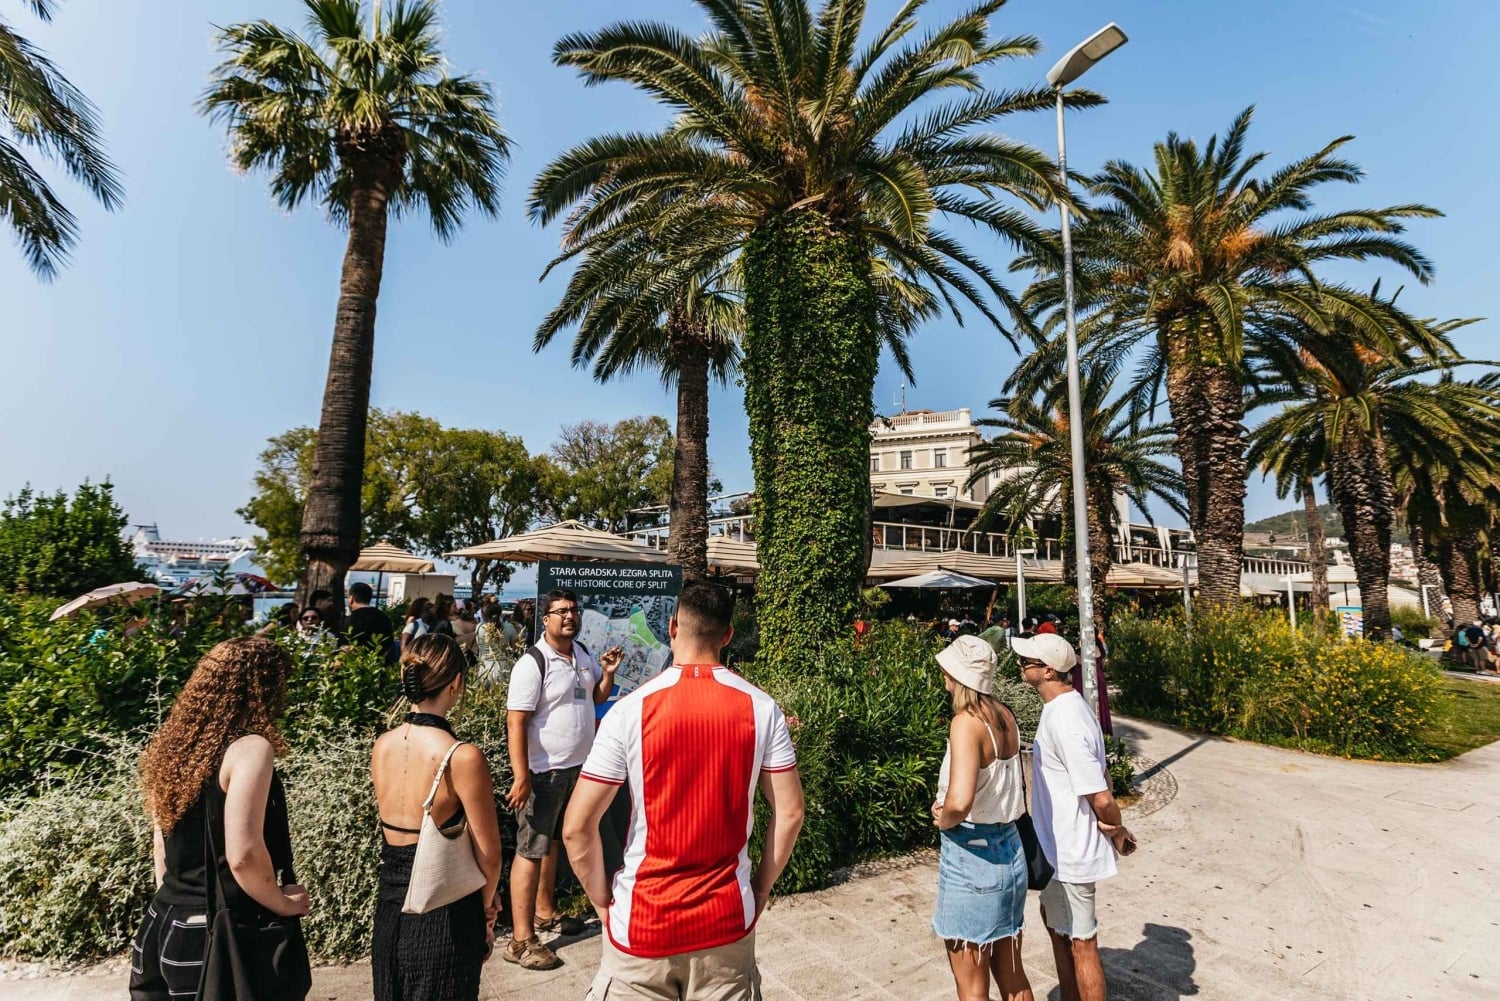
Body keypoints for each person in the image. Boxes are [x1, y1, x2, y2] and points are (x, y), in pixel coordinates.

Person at [563, 581, 804, 1000]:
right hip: (725, 920)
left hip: (642, 925)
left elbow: (577, 827)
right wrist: (761, 889)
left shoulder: (629, 711)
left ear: (672, 627)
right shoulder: (762, 708)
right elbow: (790, 812)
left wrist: (604, 904)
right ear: (728, 635)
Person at [130, 638, 311, 1001]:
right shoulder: (250, 749)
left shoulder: (176, 744)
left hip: (161, 923)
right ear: (262, 689)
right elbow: (242, 854)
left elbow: (160, 846)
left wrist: (179, 900)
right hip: (216, 934)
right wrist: (283, 903)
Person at [371, 635, 502, 1001]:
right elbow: (489, 854)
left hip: (389, 912)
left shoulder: (382, 744)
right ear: (456, 683)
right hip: (444, 912)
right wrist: (488, 908)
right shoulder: (462, 756)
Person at [504, 589, 623, 971]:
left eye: (573, 611)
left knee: (551, 844)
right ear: (546, 618)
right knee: (531, 850)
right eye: (561, 612)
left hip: (577, 769)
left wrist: (606, 675)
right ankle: (520, 941)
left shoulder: (582, 654)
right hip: (543, 772)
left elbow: (595, 698)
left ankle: (545, 913)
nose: (569, 617)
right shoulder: (532, 663)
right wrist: (521, 775)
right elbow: (516, 721)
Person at [1015, 633, 1137, 1001]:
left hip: (1072, 850)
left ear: (1049, 670)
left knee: (1082, 942)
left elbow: (1100, 795)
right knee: (1058, 929)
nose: (1021, 664)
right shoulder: (1065, 707)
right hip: (1057, 848)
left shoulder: (1066, 718)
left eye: (1028, 661)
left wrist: (1117, 828)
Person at [930, 636, 1033, 1001]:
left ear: (956, 675)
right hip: (1010, 849)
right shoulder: (1005, 715)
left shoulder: (966, 723)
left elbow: (960, 800)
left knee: (972, 985)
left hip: (972, 856)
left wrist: (943, 819)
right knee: (1013, 973)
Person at [347, 582, 396, 663]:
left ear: (351, 598)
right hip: (379, 664)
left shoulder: (351, 619)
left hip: (354, 665)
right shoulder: (383, 617)